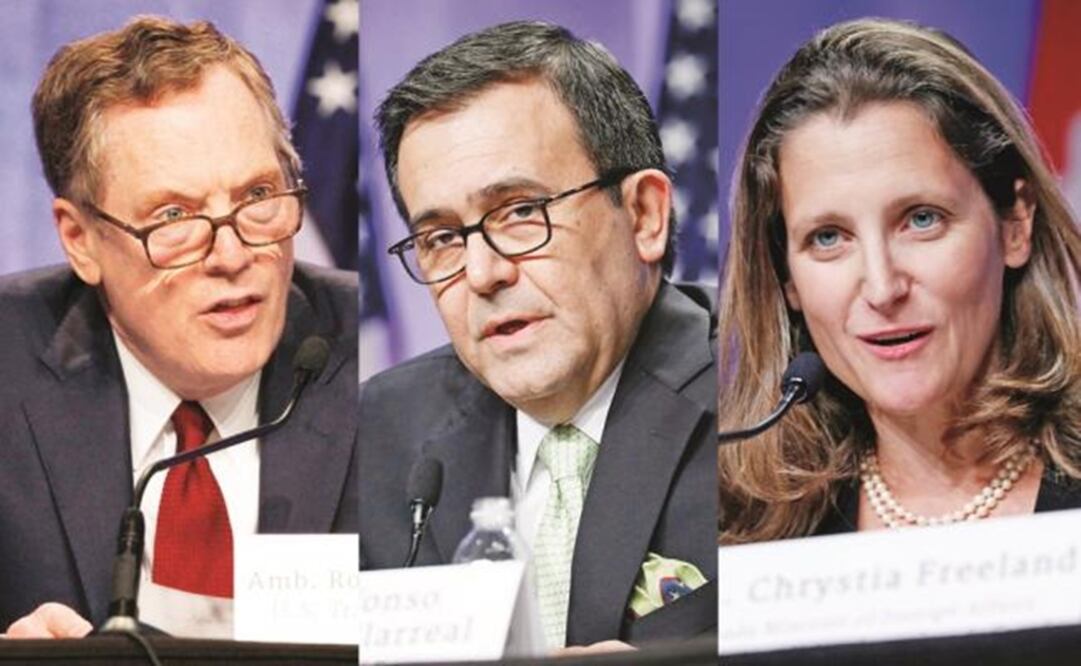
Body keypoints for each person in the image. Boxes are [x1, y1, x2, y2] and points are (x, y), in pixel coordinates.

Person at [359, 21, 717, 650]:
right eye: (441, 238)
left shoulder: (762, 397)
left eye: (521, 212)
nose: (483, 273)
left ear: (644, 215)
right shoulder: (375, 435)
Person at [0, 16, 358, 637]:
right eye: (173, 216)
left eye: (257, 196)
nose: (232, 256)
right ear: (80, 240)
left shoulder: (373, 362)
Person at [718, 18, 1081, 543]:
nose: (883, 288)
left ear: (1015, 224)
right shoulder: (742, 529)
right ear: (786, 277)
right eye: (827, 238)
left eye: (921, 219)